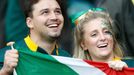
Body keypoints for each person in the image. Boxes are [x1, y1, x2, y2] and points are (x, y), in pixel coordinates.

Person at [0, 0, 70, 75]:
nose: (54, 17)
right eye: (45, 12)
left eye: (58, 11)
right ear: (30, 23)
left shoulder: (67, 59)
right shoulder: (6, 56)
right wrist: (4, 71)